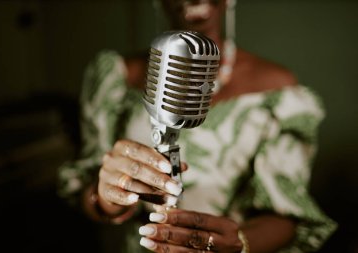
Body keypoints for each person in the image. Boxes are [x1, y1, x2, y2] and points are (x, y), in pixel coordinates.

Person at [58, 0, 337, 252]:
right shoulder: (114, 78)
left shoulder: (279, 92)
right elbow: (83, 188)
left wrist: (240, 242)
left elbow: (286, 216)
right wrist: (108, 198)